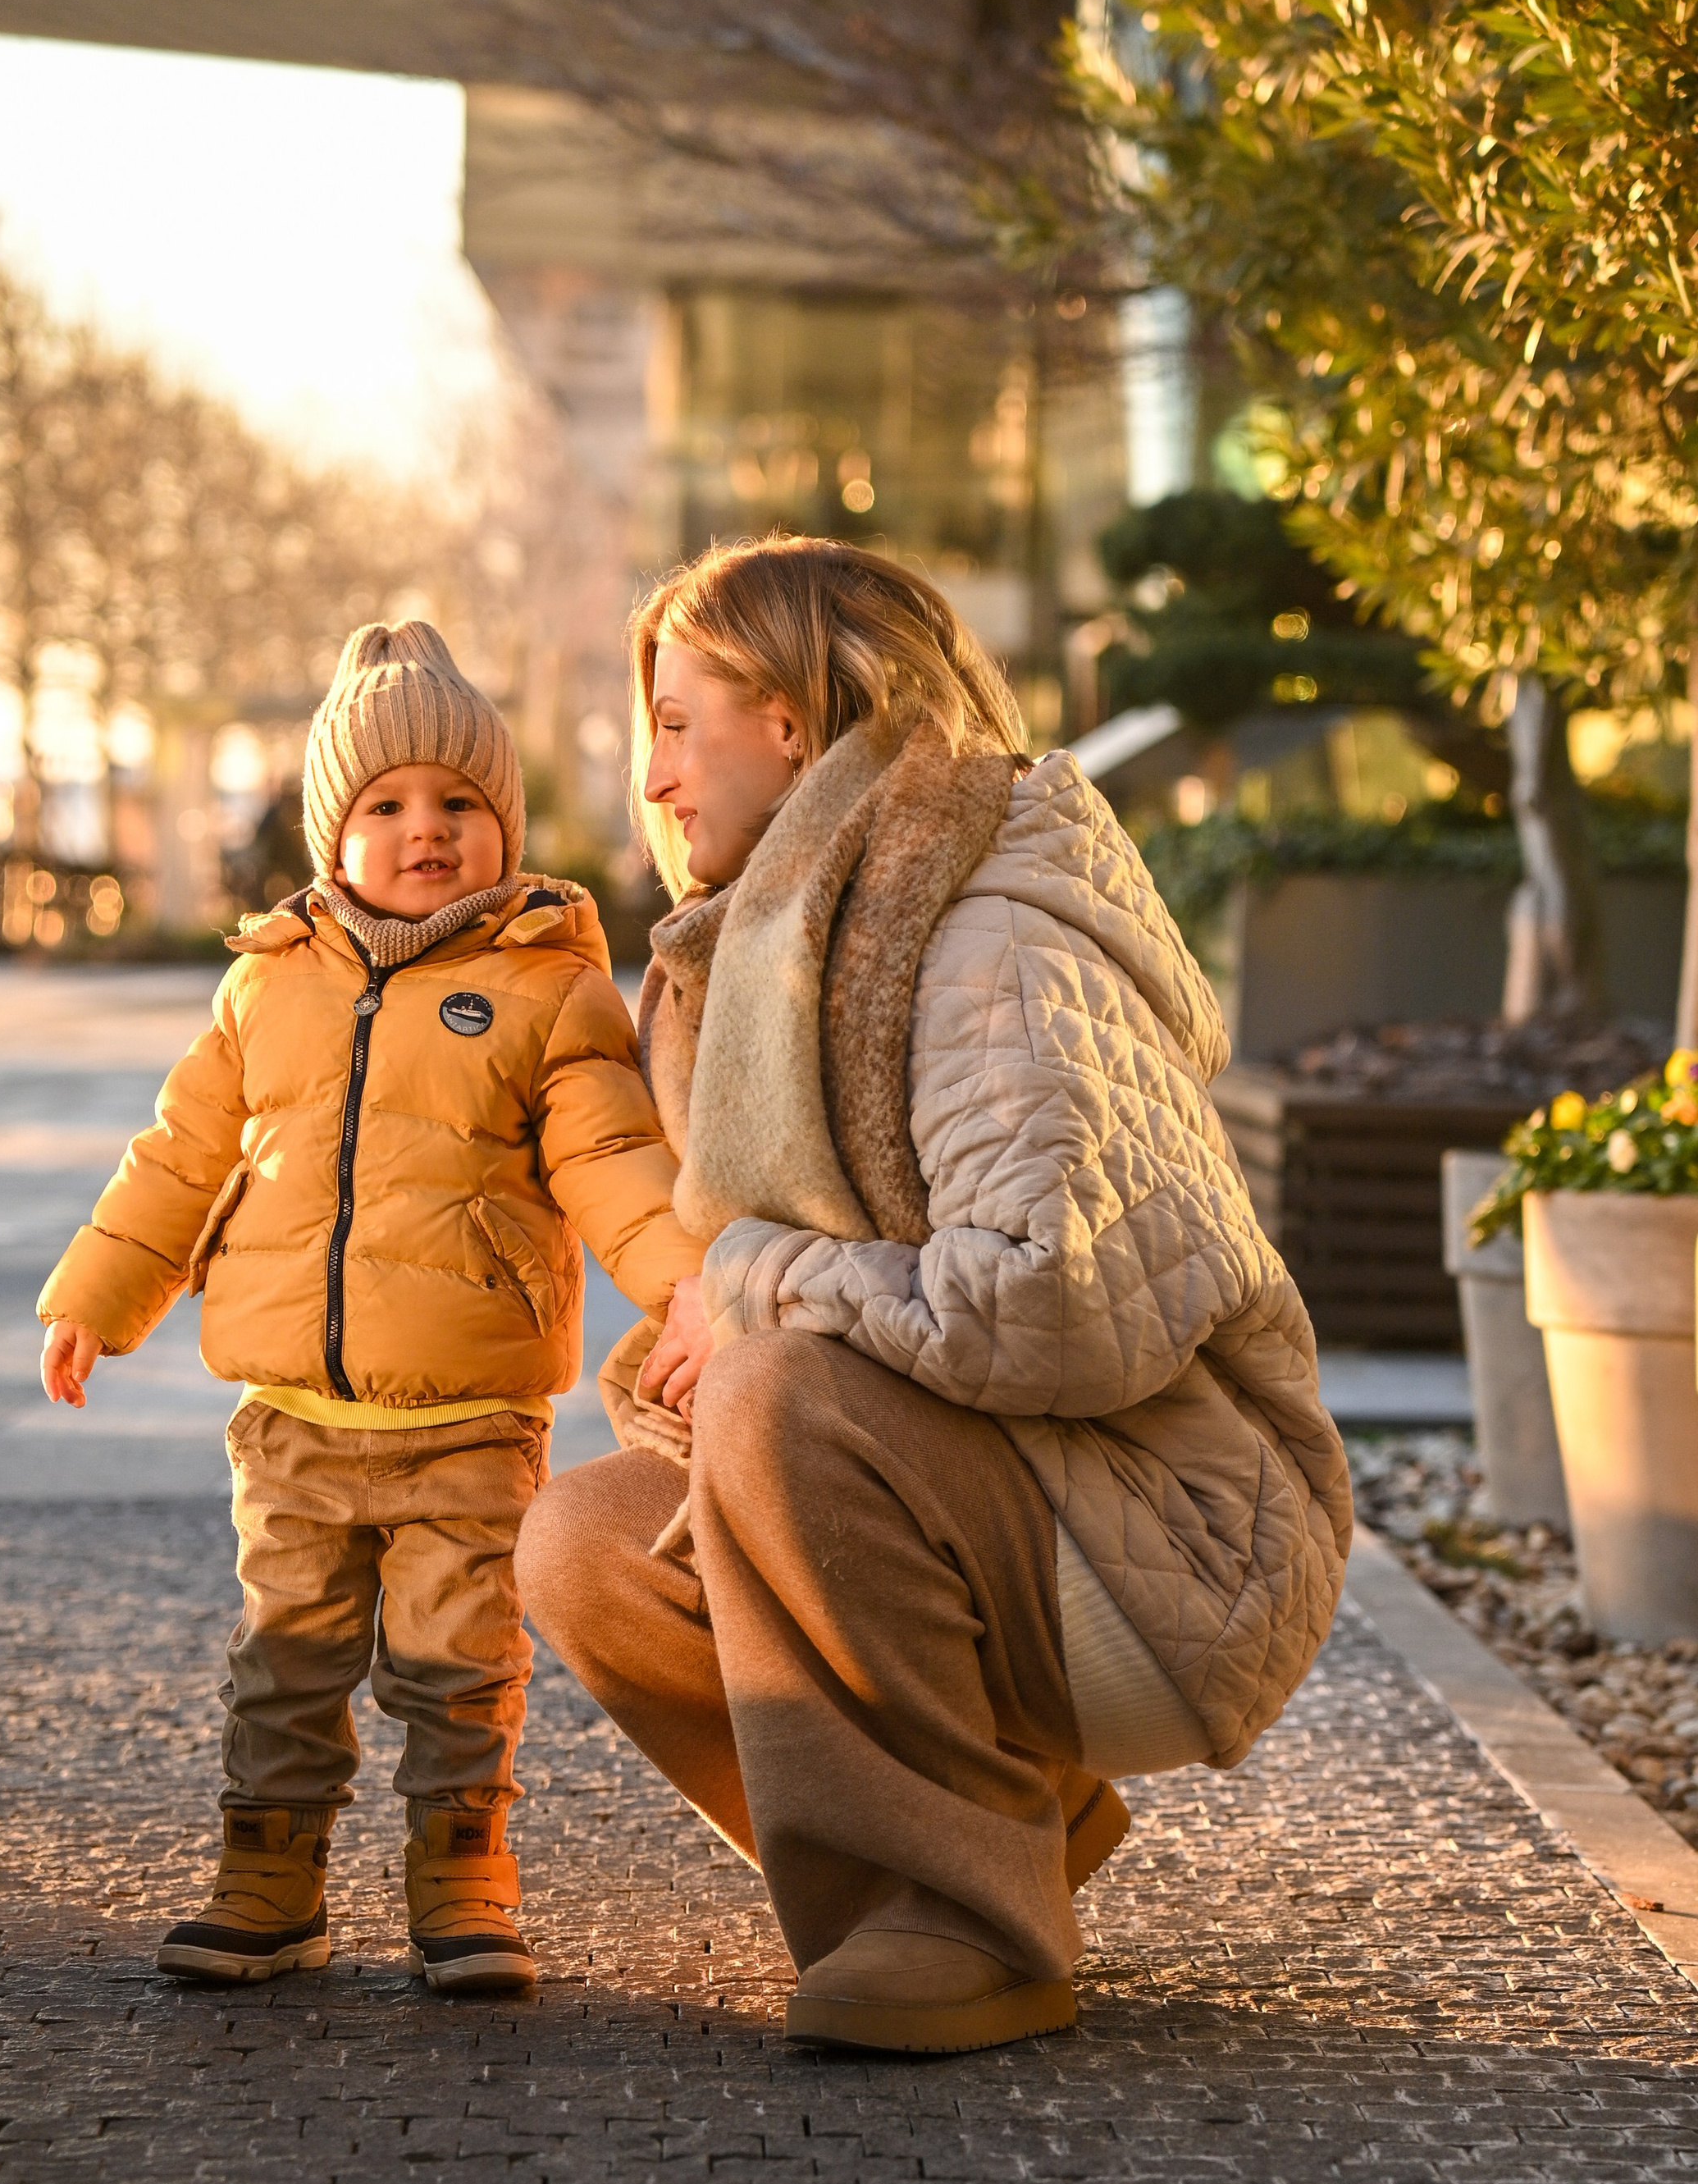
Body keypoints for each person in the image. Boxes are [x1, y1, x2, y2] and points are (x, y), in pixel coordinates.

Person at [518, 536, 1353, 2057]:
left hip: (1176, 1537)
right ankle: (1000, 1825)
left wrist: (749, 1287)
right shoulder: (791, 945)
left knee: (778, 1387)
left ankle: (978, 1929)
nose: (651, 778)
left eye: (677, 722)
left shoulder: (986, 937)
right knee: (583, 1546)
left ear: (788, 719)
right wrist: (709, 1328)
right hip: (1019, 1509)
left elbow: (1053, 1302)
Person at [38, 620, 701, 1994]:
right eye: (387, 805)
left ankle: (464, 1883)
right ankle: (270, 1882)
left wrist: (691, 1284)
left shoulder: (547, 989)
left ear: (504, 826)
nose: (427, 829)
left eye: (461, 803)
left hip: (468, 1417)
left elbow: (614, 1161)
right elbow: (180, 1154)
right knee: (285, 1662)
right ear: (331, 834)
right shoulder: (265, 985)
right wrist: (100, 1293)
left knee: (459, 1661)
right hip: (288, 1419)